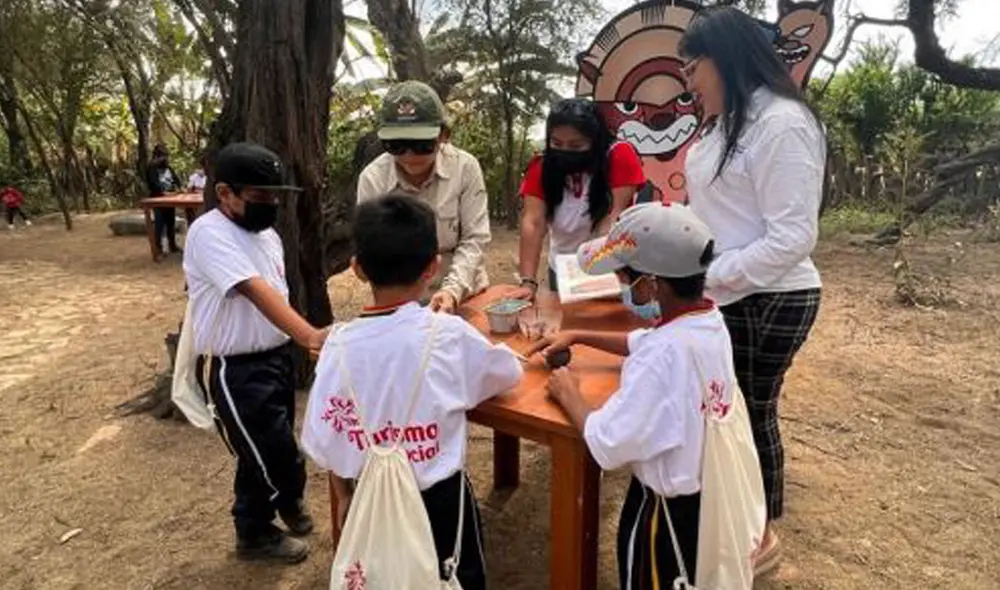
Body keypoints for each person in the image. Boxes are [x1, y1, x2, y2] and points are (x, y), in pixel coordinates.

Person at [528, 202, 764, 589]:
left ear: (651, 284)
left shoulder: (661, 357)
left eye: (624, 277)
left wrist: (567, 392)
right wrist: (579, 335)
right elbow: (646, 342)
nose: (622, 286)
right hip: (706, 499)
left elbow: (607, 441)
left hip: (665, 516)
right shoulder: (707, 321)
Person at [302, 194, 522, 589]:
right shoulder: (447, 334)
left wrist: (343, 495)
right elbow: (504, 374)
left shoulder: (336, 345)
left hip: (367, 498)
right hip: (440, 499)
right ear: (433, 266)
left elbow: (325, 441)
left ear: (357, 269)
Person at [680, 6, 826, 571]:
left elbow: (793, 236)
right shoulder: (721, 124)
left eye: (694, 68)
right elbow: (717, 215)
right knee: (723, 411)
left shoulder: (782, 123)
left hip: (773, 297)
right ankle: (731, 516)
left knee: (748, 411)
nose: (689, 83)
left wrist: (709, 278)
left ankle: (757, 535)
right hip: (727, 292)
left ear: (726, 58)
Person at [183, 142, 328, 564]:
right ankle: (256, 534)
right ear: (225, 193)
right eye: (260, 198)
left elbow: (278, 291)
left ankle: (283, 503)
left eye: (275, 197)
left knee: (263, 448)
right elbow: (254, 290)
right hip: (236, 369)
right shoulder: (208, 232)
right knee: (273, 452)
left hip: (276, 358)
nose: (271, 205)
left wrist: (294, 344)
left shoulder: (266, 235)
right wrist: (310, 335)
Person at [357, 80, 491, 315]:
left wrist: (452, 291)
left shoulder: (465, 168)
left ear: (443, 135)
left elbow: (475, 238)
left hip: (464, 297)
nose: (409, 155)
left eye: (421, 144)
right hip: (400, 307)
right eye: (397, 145)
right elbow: (372, 252)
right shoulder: (373, 179)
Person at [510, 98, 645, 299]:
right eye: (557, 143)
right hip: (562, 268)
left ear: (594, 140)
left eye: (576, 145)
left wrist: (594, 276)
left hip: (610, 266)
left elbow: (612, 218)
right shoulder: (541, 166)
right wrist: (528, 282)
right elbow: (533, 222)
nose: (565, 151)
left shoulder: (618, 155)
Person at [145, 144, 183, 256]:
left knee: (171, 222)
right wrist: (163, 193)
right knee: (160, 223)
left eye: (166, 157)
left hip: (170, 198)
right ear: (156, 157)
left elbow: (176, 179)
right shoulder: (151, 168)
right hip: (158, 199)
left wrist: (180, 187)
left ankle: (172, 245)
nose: (165, 159)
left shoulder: (168, 167)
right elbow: (153, 184)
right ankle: (158, 248)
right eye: (163, 157)